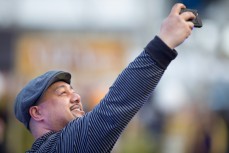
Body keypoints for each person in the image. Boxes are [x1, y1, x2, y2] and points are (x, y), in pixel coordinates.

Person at [14, 3, 196, 153]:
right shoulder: (65, 146)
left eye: (73, 91)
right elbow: (114, 106)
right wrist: (164, 42)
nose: (76, 97)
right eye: (62, 93)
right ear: (37, 113)